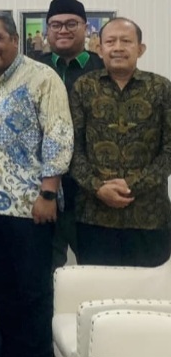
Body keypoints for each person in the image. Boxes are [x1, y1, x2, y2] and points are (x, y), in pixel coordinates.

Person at [0, 12, 73, 357]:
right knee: (0, 292)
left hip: (31, 207)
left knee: (33, 294)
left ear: (15, 39)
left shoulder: (42, 77)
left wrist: (48, 192)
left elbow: (58, 136)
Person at [70, 18, 171, 267]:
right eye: (110, 41)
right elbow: (72, 148)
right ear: (99, 48)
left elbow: (169, 151)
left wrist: (132, 185)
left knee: (147, 289)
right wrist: (97, 187)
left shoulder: (161, 88)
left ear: (141, 49)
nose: (118, 47)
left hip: (149, 216)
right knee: (97, 287)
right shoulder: (84, 87)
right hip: (94, 215)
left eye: (126, 41)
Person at [35, 0, 104, 270]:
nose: (63, 30)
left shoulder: (103, 69)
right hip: (41, 188)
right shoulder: (33, 69)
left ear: (85, 27)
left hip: (91, 190)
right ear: (47, 30)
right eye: (56, 24)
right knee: (44, 267)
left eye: (71, 24)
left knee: (95, 266)